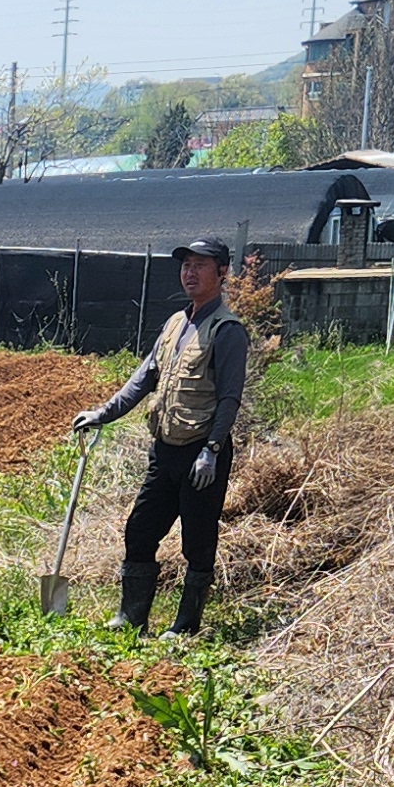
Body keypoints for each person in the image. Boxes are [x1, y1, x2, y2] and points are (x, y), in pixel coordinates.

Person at [77, 238, 250, 635]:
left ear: (222, 272)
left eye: (200, 265)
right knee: (140, 530)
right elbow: (142, 381)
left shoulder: (227, 332)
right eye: (186, 265)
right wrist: (102, 414)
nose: (190, 272)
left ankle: (185, 627)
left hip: (201, 455)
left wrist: (212, 449)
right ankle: (131, 617)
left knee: (198, 541)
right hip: (166, 450)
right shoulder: (175, 325)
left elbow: (229, 398)